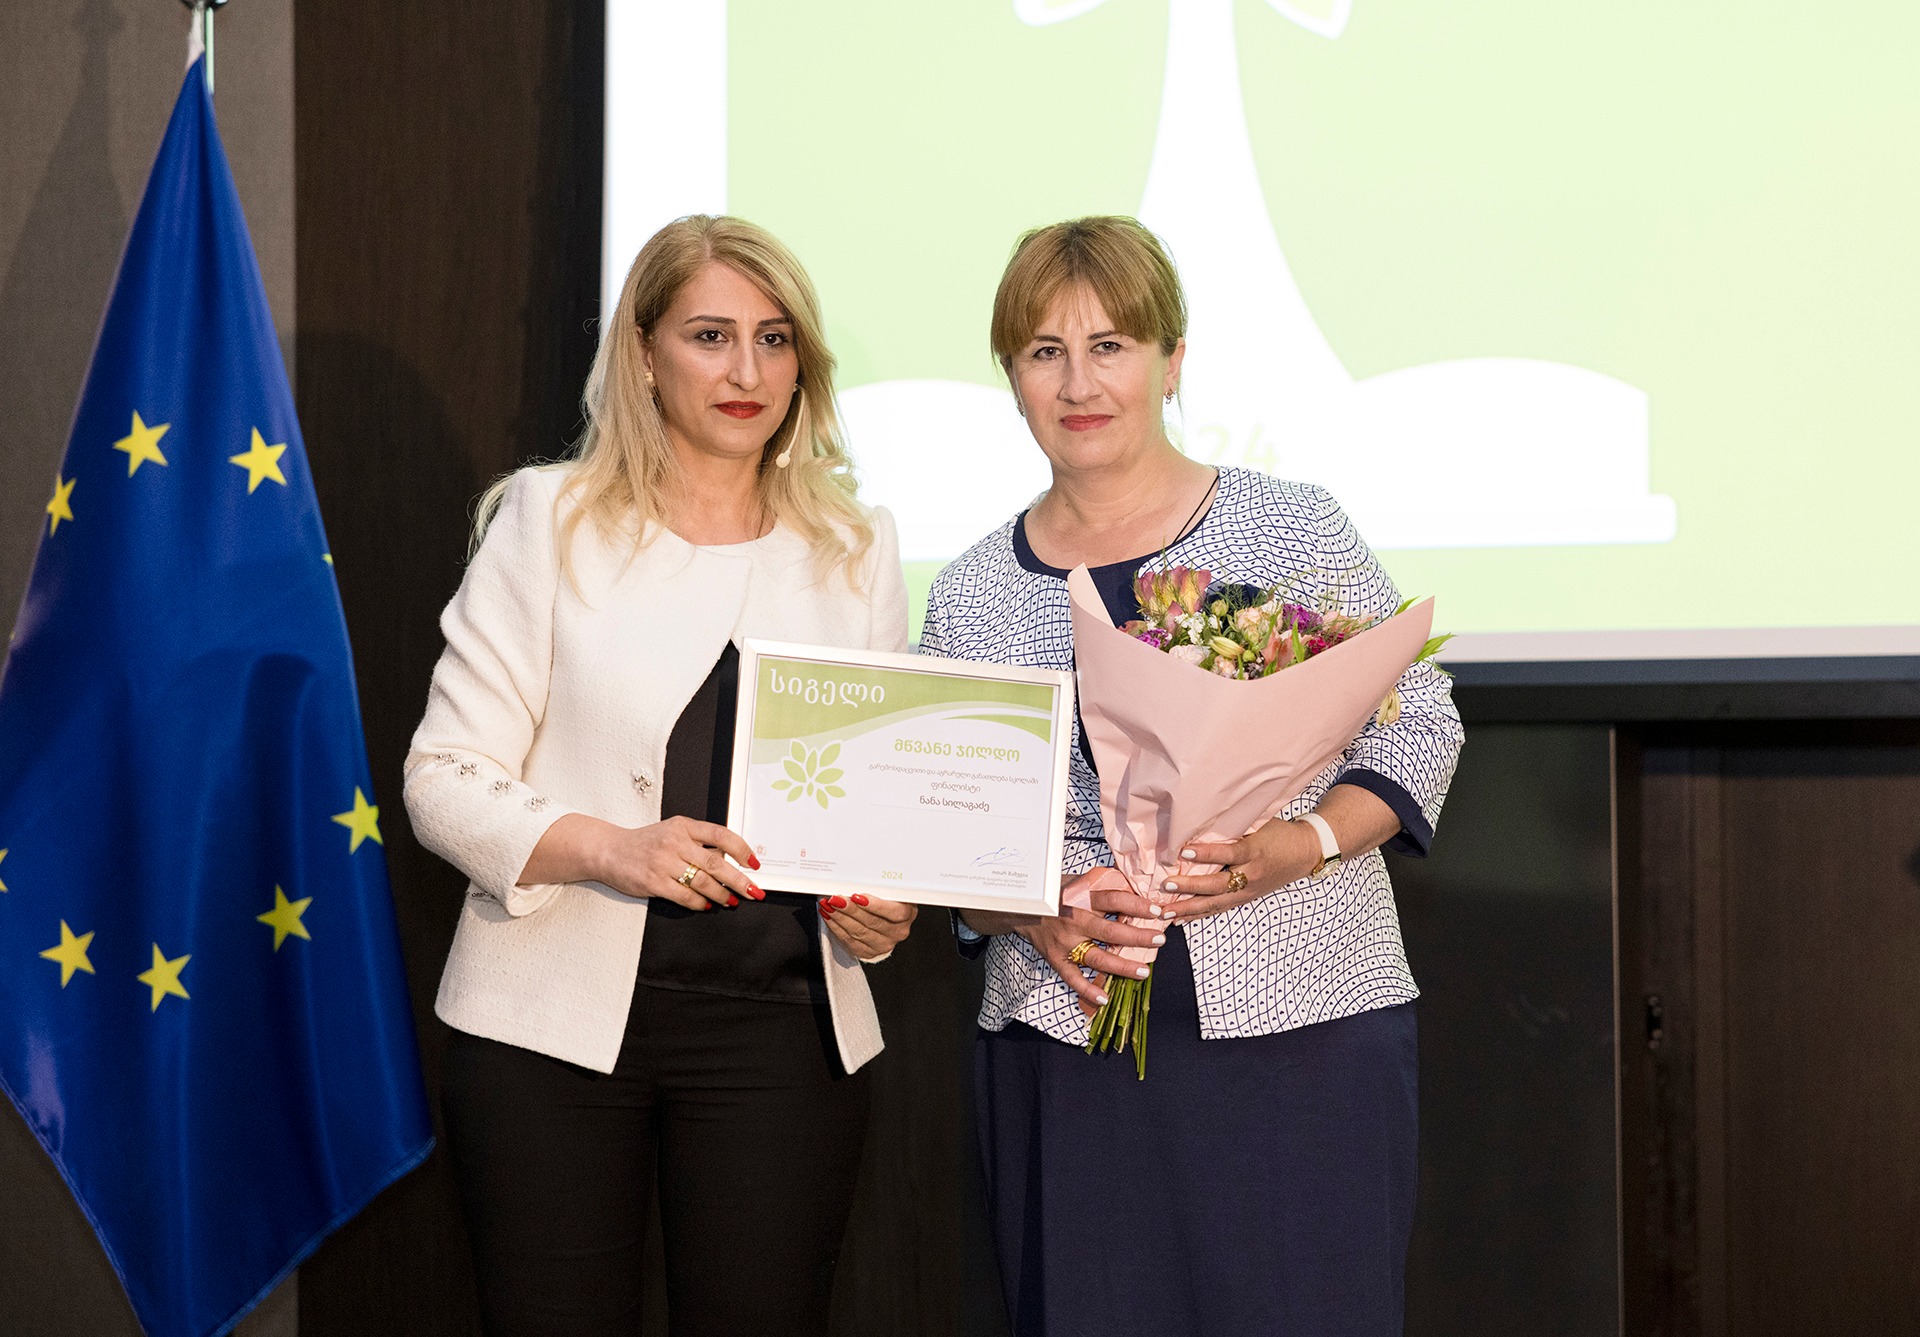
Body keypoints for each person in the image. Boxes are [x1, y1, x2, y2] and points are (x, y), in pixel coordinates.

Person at [919, 216, 1465, 1336]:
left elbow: (1420, 722)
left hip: (1305, 1032)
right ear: (1011, 375)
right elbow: (940, 831)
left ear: (1173, 361)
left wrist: (1300, 844)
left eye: (1111, 346)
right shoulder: (970, 591)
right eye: (1045, 351)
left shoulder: (1289, 525)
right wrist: (1029, 907)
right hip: (1065, 1040)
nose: (1079, 383)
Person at [404, 215, 916, 1336]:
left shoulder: (857, 546)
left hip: (786, 1036)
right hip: (549, 1034)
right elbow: (441, 776)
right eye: (710, 335)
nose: (747, 372)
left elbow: (876, 815)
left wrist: (881, 911)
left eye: (774, 339)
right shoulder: (550, 518)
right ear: (643, 353)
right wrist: (613, 848)